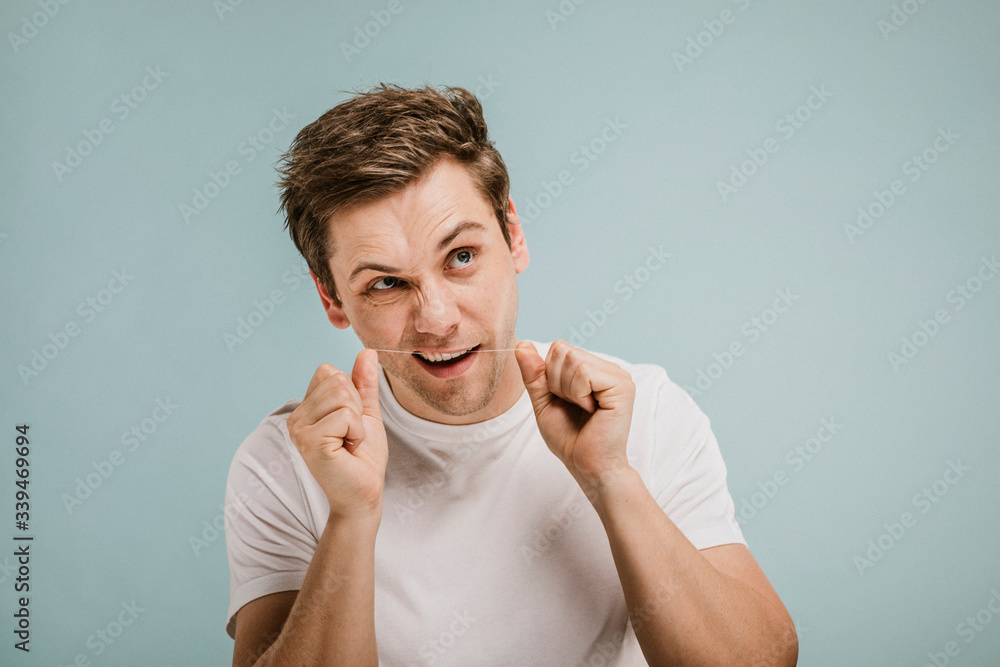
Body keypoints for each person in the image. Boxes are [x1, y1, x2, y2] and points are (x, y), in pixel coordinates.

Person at [223, 83, 798, 666]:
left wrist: (610, 476)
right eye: (387, 284)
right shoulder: (285, 464)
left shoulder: (642, 411)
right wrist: (350, 517)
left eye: (462, 257)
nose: (438, 321)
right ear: (334, 299)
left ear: (513, 235)